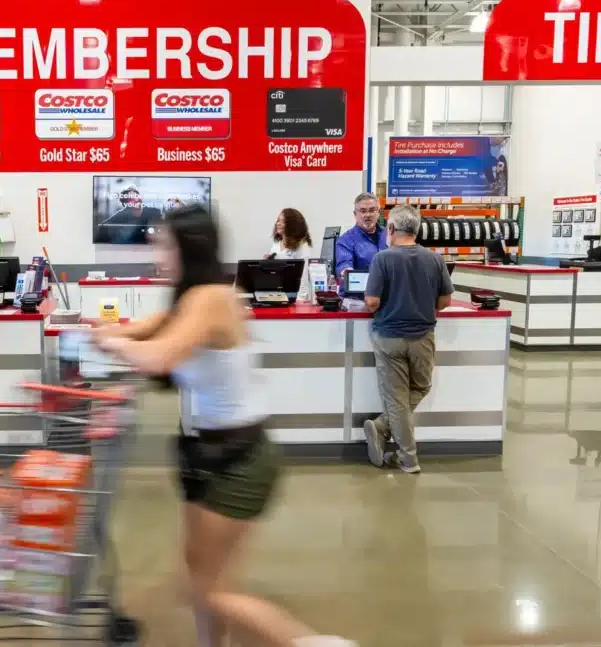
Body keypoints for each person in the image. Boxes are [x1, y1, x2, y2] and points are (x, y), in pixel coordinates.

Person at [94, 205, 355, 647]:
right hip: (206, 455)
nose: (158, 252)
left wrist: (110, 341)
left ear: (189, 248)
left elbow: (158, 356)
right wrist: (107, 332)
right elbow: (144, 330)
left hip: (238, 461)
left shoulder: (211, 299)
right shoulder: (188, 298)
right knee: (204, 583)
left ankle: (312, 643)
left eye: (165, 244)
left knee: (207, 590)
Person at [362, 204, 453, 474]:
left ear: (390, 229)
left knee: (396, 399)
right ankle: (398, 445)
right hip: (423, 336)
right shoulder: (435, 259)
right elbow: (445, 301)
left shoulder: (383, 259)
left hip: (389, 337)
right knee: (421, 387)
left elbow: (372, 301)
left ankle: (399, 447)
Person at [335, 192, 387, 281]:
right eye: (363, 211)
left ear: (378, 212)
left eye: (372, 210)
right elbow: (344, 262)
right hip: (359, 292)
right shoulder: (345, 240)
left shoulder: (389, 234)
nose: (368, 215)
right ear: (355, 214)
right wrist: (346, 271)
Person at [266, 207, 314, 301]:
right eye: (278, 221)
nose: (278, 224)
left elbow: (303, 284)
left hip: (294, 298)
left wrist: (299, 302)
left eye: (282, 222)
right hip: (277, 296)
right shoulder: (276, 244)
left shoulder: (302, 247)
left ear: (292, 225)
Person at [97, 184, 164, 244]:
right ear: (126, 204)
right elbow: (103, 226)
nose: (135, 199)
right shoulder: (120, 215)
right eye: (131, 198)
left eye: (136, 196)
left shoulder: (155, 212)